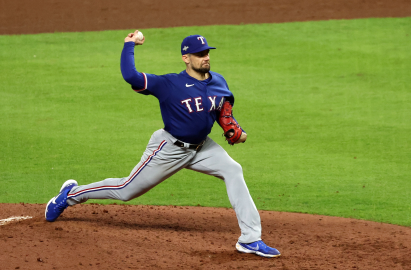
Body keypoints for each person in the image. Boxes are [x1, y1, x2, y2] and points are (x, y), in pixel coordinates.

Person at [45, 30, 281, 258]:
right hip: (170, 148)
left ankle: (250, 239)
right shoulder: (169, 84)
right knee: (125, 190)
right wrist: (129, 45)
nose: (206, 57)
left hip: (203, 148)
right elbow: (131, 76)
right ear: (186, 58)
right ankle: (70, 195)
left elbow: (223, 110)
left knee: (233, 170)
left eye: (207, 52)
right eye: (200, 54)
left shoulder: (219, 81)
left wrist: (233, 128)